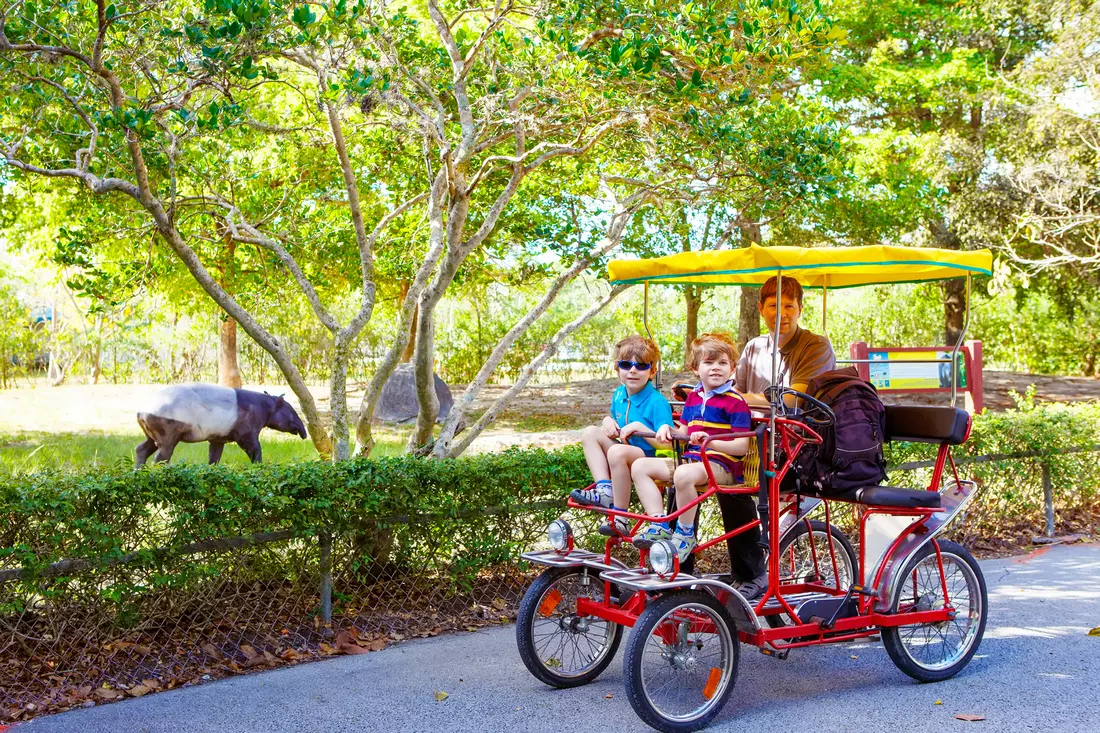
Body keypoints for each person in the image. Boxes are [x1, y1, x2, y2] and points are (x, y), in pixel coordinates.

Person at [719, 275, 837, 598]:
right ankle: (676, 561)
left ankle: (753, 571)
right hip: (755, 440)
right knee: (692, 461)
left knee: (734, 479)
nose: (782, 313)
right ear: (761, 309)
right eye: (774, 306)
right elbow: (733, 396)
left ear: (800, 309)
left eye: (789, 306)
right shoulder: (754, 347)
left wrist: (738, 401)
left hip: (798, 447)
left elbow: (791, 402)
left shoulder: (815, 347)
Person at [629, 333, 752, 561]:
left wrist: (710, 441)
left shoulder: (736, 402)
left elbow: (742, 447)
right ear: (695, 368)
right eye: (709, 362)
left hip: (721, 465)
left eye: (722, 363)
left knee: (684, 474)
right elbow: (683, 435)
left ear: (733, 368)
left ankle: (685, 534)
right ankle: (660, 523)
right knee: (639, 467)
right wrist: (668, 430)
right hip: (693, 461)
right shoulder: (694, 397)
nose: (716, 368)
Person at [570, 335, 674, 538]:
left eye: (641, 366)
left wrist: (638, 427)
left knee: (617, 451)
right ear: (617, 368)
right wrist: (608, 421)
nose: (633, 370)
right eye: (626, 364)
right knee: (591, 433)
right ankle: (605, 490)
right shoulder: (619, 394)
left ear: (652, 371)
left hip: (648, 457)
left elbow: (668, 446)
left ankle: (621, 518)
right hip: (623, 450)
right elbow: (614, 424)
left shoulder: (656, 402)